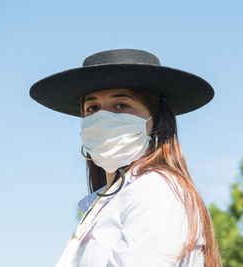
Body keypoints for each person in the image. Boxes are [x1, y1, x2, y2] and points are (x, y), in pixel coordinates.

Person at [30, 49, 222, 267]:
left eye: (121, 105)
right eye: (92, 108)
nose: (103, 117)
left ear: (155, 120)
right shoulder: (104, 204)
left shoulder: (154, 189)